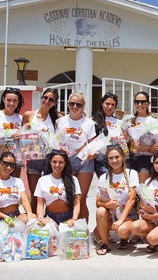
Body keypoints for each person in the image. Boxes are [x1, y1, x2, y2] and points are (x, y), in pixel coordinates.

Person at [0, 151, 36, 253]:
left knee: (33, 222)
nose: (8, 168)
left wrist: (29, 214)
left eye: (12, 165)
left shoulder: (18, 181)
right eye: (6, 164)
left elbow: (24, 199)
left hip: (15, 215)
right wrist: (5, 217)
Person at [56, 92, 96, 221]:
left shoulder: (89, 123)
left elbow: (92, 144)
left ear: (83, 106)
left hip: (84, 161)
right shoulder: (60, 122)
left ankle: (83, 232)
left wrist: (91, 153)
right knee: (68, 197)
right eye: (72, 103)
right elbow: (56, 142)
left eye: (78, 104)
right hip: (65, 161)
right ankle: (70, 229)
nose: (75, 106)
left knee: (81, 198)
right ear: (68, 105)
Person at [21, 88, 61, 213]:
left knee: (50, 193)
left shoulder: (58, 118)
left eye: (51, 100)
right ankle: (34, 221)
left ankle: (49, 218)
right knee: (35, 194)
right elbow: (22, 133)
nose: (47, 101)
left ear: (54, 103)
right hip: (33, 159)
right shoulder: (29, 115)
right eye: (45, 97)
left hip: (51, 160)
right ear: (41, 98)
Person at [95, 145, 139, 255]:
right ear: (107, 160)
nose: (114, 161)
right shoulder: (103, 177)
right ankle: (105, 243)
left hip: (128, 215)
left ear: (123, 157)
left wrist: (120, 220)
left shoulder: (131, 174)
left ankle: (124, 237)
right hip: (111, 215)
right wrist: (107, 205)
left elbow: (132, 200)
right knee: (100, 211)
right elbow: (98, 202)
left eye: (117, 157)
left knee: (122, 231)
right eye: (111, 158)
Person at [34, 150, 81, 225]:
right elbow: (40, 203)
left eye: (61, 162)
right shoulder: (42, 180)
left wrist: (74, 219)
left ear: (65, 164)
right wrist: (41, 218)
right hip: (49, 217)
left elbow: (77, 203)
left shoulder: (73, 180)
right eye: (54, 162)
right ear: (50, 162)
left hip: (68, 218)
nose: (57, 165)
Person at [126, 91, 158, 183]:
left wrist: (148, 148)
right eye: (137, 102)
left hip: (145, 159)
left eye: (143, 102)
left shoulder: (154, 122)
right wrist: (131, 145)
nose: (140, 104)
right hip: (129, 158)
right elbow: (123, 140)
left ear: (148, 103)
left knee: (142, 188)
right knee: (129, 187)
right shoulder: (128, 121)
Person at [0, 87, 24, 177]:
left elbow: (26, 142)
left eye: (15, 101)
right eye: (8, 100)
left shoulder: (21, 119)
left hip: (15, 160)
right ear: (3, 99)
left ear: (18, 102)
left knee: (14, 188)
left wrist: (21, 137)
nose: (11, 103)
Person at [91, 92, 127, 178]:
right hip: (101, 160)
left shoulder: (119, 122)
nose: (110, 107)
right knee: (107, 186)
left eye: (113, 105)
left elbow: (124, 140)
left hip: (117, 160)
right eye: (107, 104)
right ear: (102, 104)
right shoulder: (92, 121)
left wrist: (125, 138)